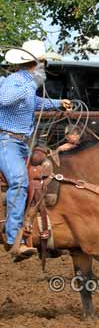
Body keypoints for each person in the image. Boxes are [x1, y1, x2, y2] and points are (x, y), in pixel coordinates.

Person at [0, 40, 72, 261]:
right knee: (20, 182)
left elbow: (33, 103)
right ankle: (13, 239)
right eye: (44, 62)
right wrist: (30, 85)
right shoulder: (16, 81)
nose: (45, 67)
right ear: (36, 63)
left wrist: (58, 103)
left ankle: (41, 233)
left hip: (19, 143)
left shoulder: (25, 83)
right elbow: (4, 99)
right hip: (6, 140)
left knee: (40, 180)